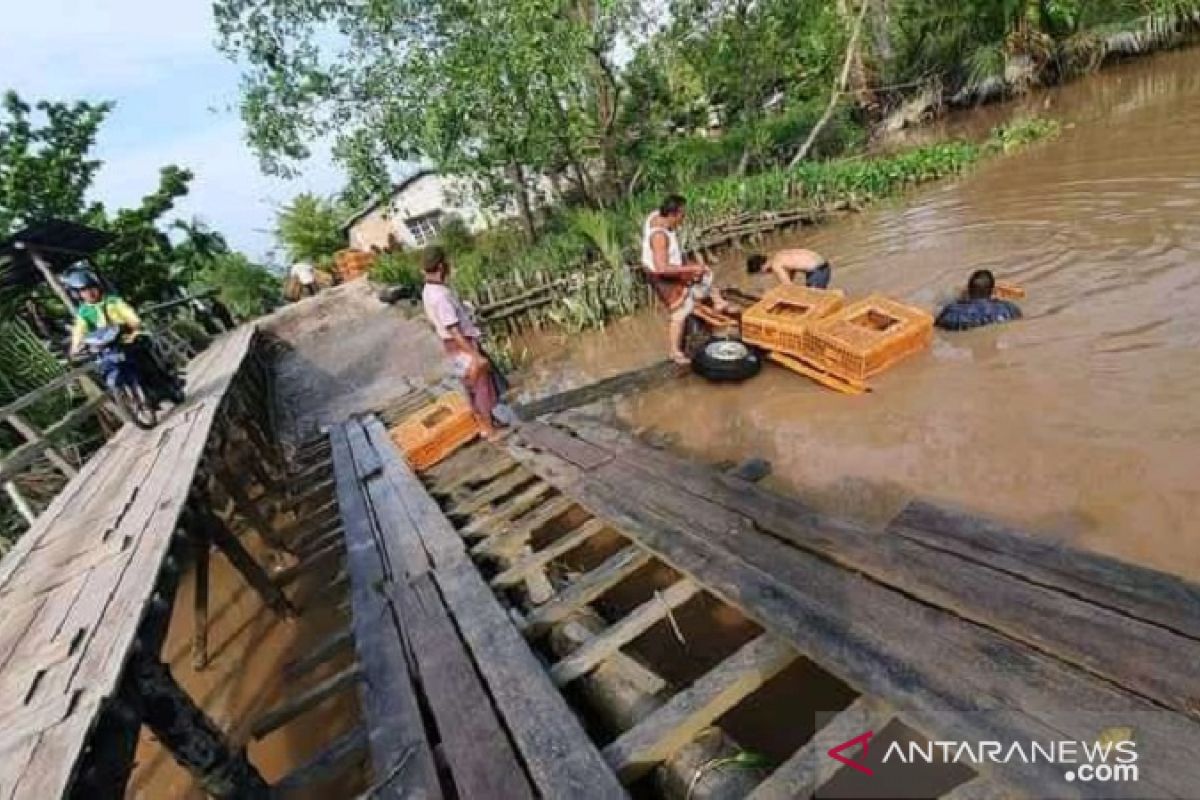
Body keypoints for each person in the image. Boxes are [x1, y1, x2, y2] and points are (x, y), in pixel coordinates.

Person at [420, 247, 504, 441]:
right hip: (461, 344)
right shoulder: (440, 296)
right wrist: (475, 355)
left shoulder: (429, 290)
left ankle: (487, 424)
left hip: (452, 345)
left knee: (471, 385)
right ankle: (490, 430)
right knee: (481, 385)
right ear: (441, 266)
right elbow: (454, 329)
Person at [63, 268, 181, 401]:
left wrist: (133, 322)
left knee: (145, 357)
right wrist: (75, 347)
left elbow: (128, 313)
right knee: (104, 366)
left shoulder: (113, 301)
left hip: (128, 338)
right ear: (78, 294)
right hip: (107, 346)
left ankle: (167, 381)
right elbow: (79, 330)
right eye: (83, 290)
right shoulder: (83, 312)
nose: (89, 292)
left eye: (91, 287)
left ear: (98, 287)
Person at [641, 194, 730, 364]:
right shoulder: (659, 237)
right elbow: (661, 268)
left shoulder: (656, 216)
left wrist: (691, 268)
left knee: (705, 274)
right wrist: (690, 268)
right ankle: (675, 352)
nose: (684, 218)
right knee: (680, 312)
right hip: (662, 274)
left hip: (670, 264)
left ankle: (715, 302)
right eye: (682, 215)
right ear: (672, 215)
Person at [935, 269, 1023, 331]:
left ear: (969, 290)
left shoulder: (952, 312)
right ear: (992, 291)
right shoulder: (1010, 309)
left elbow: (937, 326)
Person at [746, 248, 833, 289]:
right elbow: (792, 271)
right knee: (817, 296)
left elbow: (789, 287)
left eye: (760, 273)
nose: (764, 274)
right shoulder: (779, 255)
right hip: (823, 266)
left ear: (762, 268)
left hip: (817, 271)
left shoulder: (776, 265)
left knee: (813, 299)